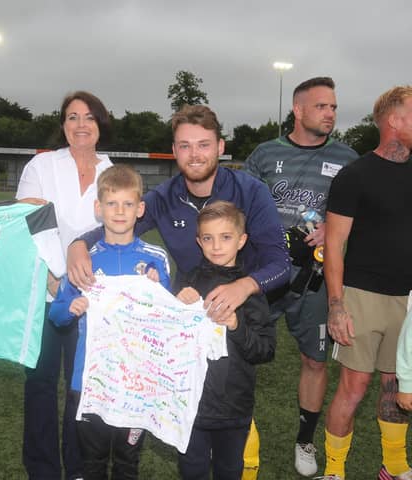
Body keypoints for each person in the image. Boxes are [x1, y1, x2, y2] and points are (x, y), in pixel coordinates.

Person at [66, 104, 290, 479]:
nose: (194, 154)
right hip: (192, 311)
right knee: (195, 431)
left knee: (234, 413)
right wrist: (77, 244)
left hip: (243, 312)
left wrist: (243, 287)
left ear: (221, 146)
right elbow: (121, 225)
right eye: (185, 146)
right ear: (174, 149)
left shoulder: (251, 192)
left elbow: (280, 263)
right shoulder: (166, 196)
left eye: (203, 145)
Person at [244, 77, 357, 477]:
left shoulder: (347, 157)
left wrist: (335, 228)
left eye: (333, 107)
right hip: (264, 275)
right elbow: (243, 208)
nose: (330, 114)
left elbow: (363, 213)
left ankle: (305, 439)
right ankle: (240, 434)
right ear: (298, 110)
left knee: (314, 359)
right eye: (322, 106)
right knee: (242, 355)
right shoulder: (264, 153)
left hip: (315, 280)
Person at [49, 164, 171, 480]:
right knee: (93, 463)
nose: (120, 211)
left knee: (128, 463)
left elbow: (168, 318)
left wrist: (158, 290)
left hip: (136, 382)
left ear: (140, 209)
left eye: (128, 204)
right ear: (98, 209)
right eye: (112, 204)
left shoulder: (155, 258)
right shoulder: (84, 258)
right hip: (89, 381)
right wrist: (72, 308)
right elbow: (56, 315)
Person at [16, 91, 113, 480]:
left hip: (90, 298)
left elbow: (113, 231)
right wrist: (55, 278)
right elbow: (32, 222)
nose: (80, 125)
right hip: (43, 290)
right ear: (63, 125)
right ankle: (41, 470)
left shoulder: (112, 171)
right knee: (39, 384)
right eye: (72, 117)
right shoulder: (42, 165)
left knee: (82, 388)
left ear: (100, 124)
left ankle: (78, 468)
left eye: (88, 117)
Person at [320, 85, 412, 480]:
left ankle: (393, 466)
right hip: (361, 294)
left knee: (398, 386)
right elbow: (335, 244)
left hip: (408, 299)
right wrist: (336, 305)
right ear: (395, 120)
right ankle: (335, 470)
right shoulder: (354, 175)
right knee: (354, 387)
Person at [176, 200, 274, 480]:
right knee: (191, 471)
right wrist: (179, 304)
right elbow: (169, 340)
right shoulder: (188, 282)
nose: (216, 245)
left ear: (242, 240)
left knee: (229, 472)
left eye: (226, 237)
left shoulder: (250, 289)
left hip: (234, 406)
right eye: (208, 238)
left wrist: (235, 324)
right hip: (192, 404)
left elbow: (265, 350)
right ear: (199, 241)